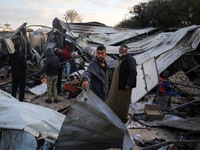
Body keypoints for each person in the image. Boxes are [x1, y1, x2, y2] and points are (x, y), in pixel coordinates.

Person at [107, 44, 137, 123]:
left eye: (121, 49)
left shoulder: (130, 59)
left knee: (122, 104)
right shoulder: (121, 58)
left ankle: (122, 119)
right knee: (113, 101)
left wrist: (129, 83)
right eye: (119, 49)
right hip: (117, 85)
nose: (119, 51)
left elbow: (133, 72)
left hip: (124, 86)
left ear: (126, 50)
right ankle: (113, 117)